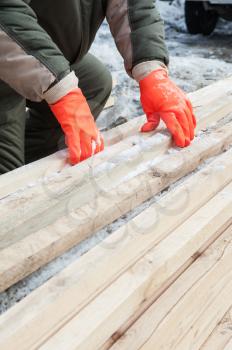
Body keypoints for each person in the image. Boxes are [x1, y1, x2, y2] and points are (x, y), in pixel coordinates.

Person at [0, 0, 196, 175]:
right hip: (5, 52)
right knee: (6, 178)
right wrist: (62, 93)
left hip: (35, 52)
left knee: (93, 83)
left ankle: (32, 168)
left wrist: (153, 74)